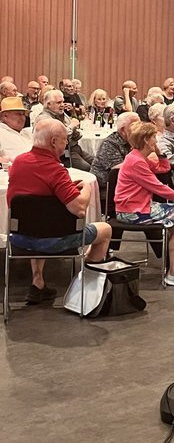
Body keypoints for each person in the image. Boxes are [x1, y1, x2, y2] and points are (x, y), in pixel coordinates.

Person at [6, 118, 112, 304]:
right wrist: (86, 189)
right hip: (55, 240)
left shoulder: (18, 163)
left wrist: (66, 189)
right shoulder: (56, 170)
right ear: (54, 141)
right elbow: (79, 209)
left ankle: (38, 282)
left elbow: (33, 194)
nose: (66, 143)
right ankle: (86, 284)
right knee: (105, 230)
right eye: (64, 139)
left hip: (21, 237)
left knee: (37, 223)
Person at [114, 122, 174, 288]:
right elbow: (157, 186)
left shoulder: (139, 157)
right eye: (153, 138)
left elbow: (163, 168)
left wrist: (159, 153)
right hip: (131, 211)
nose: (156, 141)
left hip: (140, 207)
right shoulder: (136, 162)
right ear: (146, 140)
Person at [35, 89, 94, 171]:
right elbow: (57, 137)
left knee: (98, 163)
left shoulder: (62, 114)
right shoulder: (44, 119)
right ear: (48, 104)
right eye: (59, 102)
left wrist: (74, 129)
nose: (62, 105)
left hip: (74, 148)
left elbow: (76, 136)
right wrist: (72, 126)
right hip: (61, 153)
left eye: (63, 102)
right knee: (86, 168)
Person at [90, 112, 140, 189]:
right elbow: (119, 170)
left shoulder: (133, 140)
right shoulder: (110, 143)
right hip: (107, 187)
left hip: (127, 183)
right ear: (123, 130)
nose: (139, 129)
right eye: (135, 126)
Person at [0, 97, 33, 161]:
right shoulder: (1, 133)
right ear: (5, 116)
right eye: (19, 114)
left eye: (24, 114)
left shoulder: (27, 132)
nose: (23, 118)